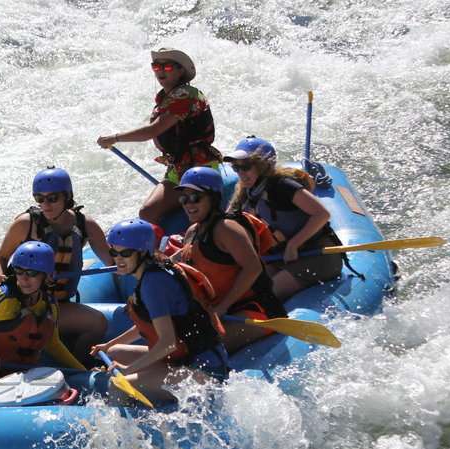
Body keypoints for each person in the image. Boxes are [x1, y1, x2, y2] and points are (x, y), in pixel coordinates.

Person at [89, 218, 229, 405]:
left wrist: (129, 369)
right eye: (114, 252)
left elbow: (168, 344)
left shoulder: (153, 284)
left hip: (205, 371)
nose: (118, 259)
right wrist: (108, 345)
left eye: (126, 253)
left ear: (143, 252)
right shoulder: (151, 273)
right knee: (115, 352)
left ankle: (133, 431)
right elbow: (146, 327)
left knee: (118, 385)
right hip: (184, 359)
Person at [0, 167, 112, 360]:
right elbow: (1, 256)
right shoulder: (26, 224)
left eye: (53, 198)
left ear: (67, 197)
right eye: (40, 198)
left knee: (98, 323)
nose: (45, 205)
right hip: (24, 304)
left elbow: (112, 262)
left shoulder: (85, 225)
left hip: (57, 305)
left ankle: (78, 365)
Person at [0, 241, 86, 408]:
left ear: (47, 276)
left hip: (16, 376)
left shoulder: (49, 305)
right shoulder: (1, 298)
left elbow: (53, 344)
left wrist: (82, 370)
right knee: (4, 402)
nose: (24, 279)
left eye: (32, 273)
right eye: (19, 271)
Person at [96, 48, 221, 226]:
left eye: (168, 67)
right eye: (156, 67)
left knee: (147, 213)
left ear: (180, 71)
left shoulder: (185, 95)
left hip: (198, 166)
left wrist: (115, 138)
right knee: (148, 211)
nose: (161, 71)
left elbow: (152, 131)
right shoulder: (166, 96)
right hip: (178, 167)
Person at [173, 166, 288, 352]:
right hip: (222, 311)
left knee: (199, 349)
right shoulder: (192, 233)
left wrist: (223, 307)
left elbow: (253, 268)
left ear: (213, 198)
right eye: (184, 198)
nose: (188, 204)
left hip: (256, 310)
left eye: (195, 197)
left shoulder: (227, 229)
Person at [223, 136, 343, 301]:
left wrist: (294, 244)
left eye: (246, 166)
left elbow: (322, 214)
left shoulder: (283, 186)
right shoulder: (248, 190)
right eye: (236, 167)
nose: (241, 173)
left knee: (264, 296)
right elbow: (227, 222)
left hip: (317, 256)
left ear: (263, 166)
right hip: (282, 257)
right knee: (242, 288)